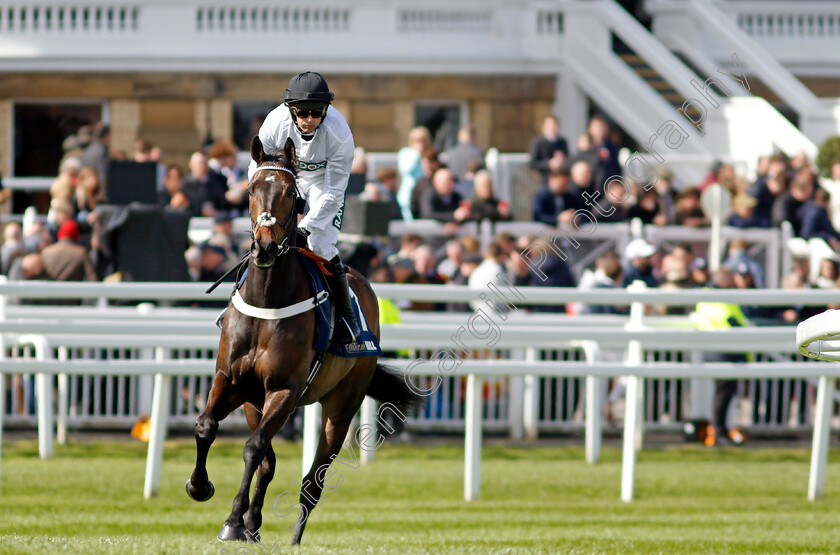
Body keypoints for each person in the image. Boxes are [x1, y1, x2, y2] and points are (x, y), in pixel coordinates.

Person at [249, 71, 360, 343]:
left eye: (316, 112)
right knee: (265, 236)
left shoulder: (339, 134)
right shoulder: (274, 123)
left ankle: (347, 317)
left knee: (320, 245)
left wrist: (306, 226)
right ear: (290, 109)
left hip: (325, 185)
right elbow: (258, 169)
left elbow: (333, 192)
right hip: (287, 177)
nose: (309, 120)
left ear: (326, 110)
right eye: (302, 112)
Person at [397, 127, 432, 221]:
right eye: (417, 141)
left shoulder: (429, 155)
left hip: (424, 192)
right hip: (408, 194)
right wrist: (417, 153)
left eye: (423, 141)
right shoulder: (406, 153)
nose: (421, 144)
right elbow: (405, 169)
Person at [529, 115, 568, 185]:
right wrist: (549, 164)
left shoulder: (562, 141)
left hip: (561, 178)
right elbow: (533, 163)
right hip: (544, 179)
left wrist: (562, 162)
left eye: (555, 124)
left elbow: (568, 158)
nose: (554, 127)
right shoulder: (538, 142)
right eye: (551, 125)